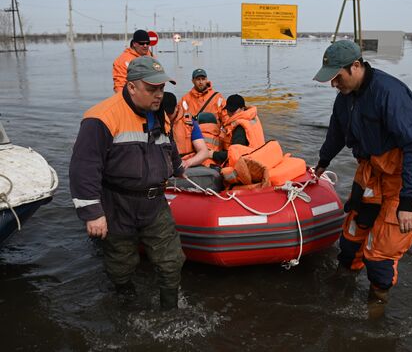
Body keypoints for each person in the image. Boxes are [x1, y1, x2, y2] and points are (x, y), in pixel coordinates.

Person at [312, 40, 412, 316]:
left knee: (380, 256)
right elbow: (336, 131)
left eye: (337, 77)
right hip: (372, 173)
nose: (334, 84)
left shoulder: (389, 93)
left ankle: (375, 315)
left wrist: (407, 202)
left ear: (355, 66)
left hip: (404, 177)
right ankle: (339, 292)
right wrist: (322, 162)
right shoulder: (345, 97)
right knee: (350, 241)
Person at [70, 56, 185, 311]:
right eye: (152, 88)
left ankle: (170, 314)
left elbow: (169, 146)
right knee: (121, 265)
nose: (159, 95)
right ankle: (128, 307)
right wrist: (92, 213)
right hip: (117, 204)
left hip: (154, 204)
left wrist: (177, 168)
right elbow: (83, 168)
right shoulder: (101, 118)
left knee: (171, 261)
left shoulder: (160, 114)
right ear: (132, 87)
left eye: (162, 88)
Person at [210, 94, 265, 164]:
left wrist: (212, 154)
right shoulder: (252, 117)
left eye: (233, 111)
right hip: (259, 155)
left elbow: (235, 154)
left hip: (250, 161)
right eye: (228, 110)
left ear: (242, 108)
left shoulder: (240, 127)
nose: (229, 113)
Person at [163, 91, 210, 167]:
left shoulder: (189, 123)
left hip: (186, 163)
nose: (167, 117)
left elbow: (204, 152)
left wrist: (188, 163)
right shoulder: (153, 123)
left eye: (170, 114)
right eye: (164, 114)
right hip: (164, 165)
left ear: (177, 107)